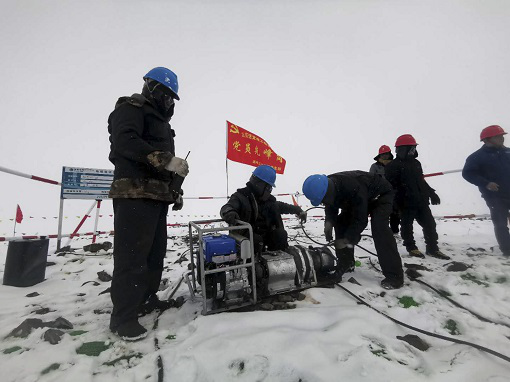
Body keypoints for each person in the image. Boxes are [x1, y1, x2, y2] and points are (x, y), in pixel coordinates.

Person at [107, 67, 189, 341]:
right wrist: (165, 159)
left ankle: (146, 298)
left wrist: (174, 189)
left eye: (172, 98)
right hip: (133, 195)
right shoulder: (131, 109)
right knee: (132, 257)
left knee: (154, 254)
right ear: (151, 88)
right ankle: (123, 318)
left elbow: (164, 166)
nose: (168, 101)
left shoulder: (163, 125)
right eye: (165, 94)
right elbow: (125, 142)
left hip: (156, 198)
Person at [302, 171, 404, 289]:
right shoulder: (328, 186)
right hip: (359, 199)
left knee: (379, 228)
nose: (322, 203)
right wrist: (329, 222)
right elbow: (331, 205)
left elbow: (360, 219)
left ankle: (395, 276)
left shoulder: (352, 187)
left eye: (322, 200)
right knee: (341, 222)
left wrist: (346, 240)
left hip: (380, 195)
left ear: (327, 193)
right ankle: (346, 263)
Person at [385, 134, 450, 260]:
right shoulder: (392, 166)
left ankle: (433, 248)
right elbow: (390, 187)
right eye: (411, 148)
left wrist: (432, 193)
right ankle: (411, 248)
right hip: (405, 203)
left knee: (430, 225)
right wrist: (394, 204)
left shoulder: (416, 163)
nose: (413, 151)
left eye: (414, 148)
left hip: (421, 201)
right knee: (407, 226)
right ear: (403, 149)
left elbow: (421, 181)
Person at [220, 165, 307, 252]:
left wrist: (298, 210)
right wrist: (229, 212)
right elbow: (228, 207)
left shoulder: (270, 202)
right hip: (248, 239)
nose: (269, 191)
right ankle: (255, 265)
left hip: (266, 238)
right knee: (256, 240)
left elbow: (285, 207)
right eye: (268, 188)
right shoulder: (240, 197)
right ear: (259, 184)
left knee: (280, 234)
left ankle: (280, 260)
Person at [462, 125, 510, 256]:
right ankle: (508, 250)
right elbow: (467, 174)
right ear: (487, 139)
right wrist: (486, 183)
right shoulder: (477, 157)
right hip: (495, 196)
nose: (502, 138)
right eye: (498, 136)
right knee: (500, 224)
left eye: (502, 136)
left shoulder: (508, 152)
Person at [369, 145, 400, 234]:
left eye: (386, 154)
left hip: (394, 192)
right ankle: (384, 231)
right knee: (383, 212)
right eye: (383, 154)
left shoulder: (395, 164)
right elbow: (371, 179)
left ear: (390, 154)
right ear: (379, 155)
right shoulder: (374, 167)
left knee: (395, 212)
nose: (385, 156)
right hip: (381, 193)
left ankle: (395, 231)